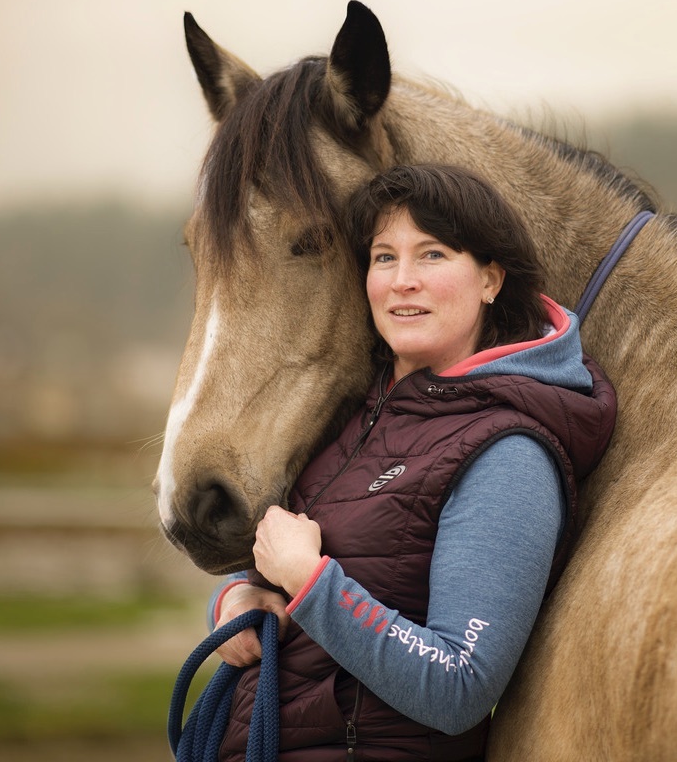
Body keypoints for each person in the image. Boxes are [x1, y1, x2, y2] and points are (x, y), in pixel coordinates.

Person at [206, 164, 617, 761]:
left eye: (431, 255)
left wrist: (309, 583)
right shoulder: (352, 416)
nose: (402, 281)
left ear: (490, 280)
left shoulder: (508, 455)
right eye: (382, 257)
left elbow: (459, 685)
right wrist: (238, 600)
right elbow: (288, 555)